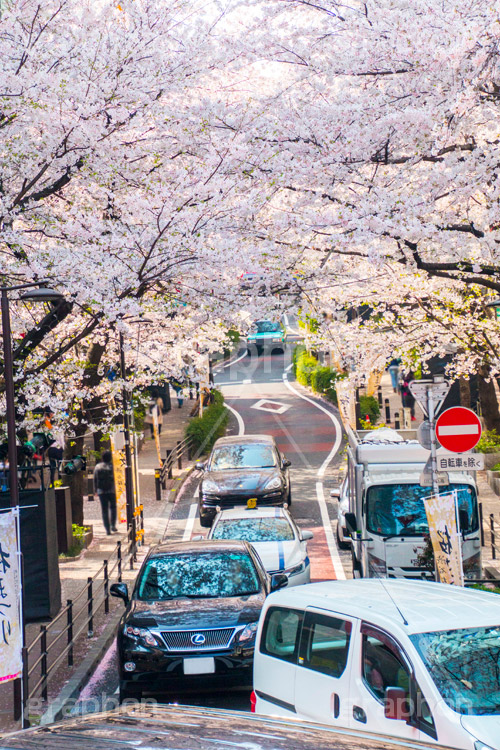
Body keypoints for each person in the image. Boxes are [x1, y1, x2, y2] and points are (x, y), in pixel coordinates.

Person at [93, 450, 117, 535]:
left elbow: (95, 479)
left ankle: (107, 529)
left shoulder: (98, 467)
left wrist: (95, 490)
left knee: (104, 510)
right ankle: (113, 525)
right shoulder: (112, 466)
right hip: (112, 490)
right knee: (113, 507)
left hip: (101, 491)